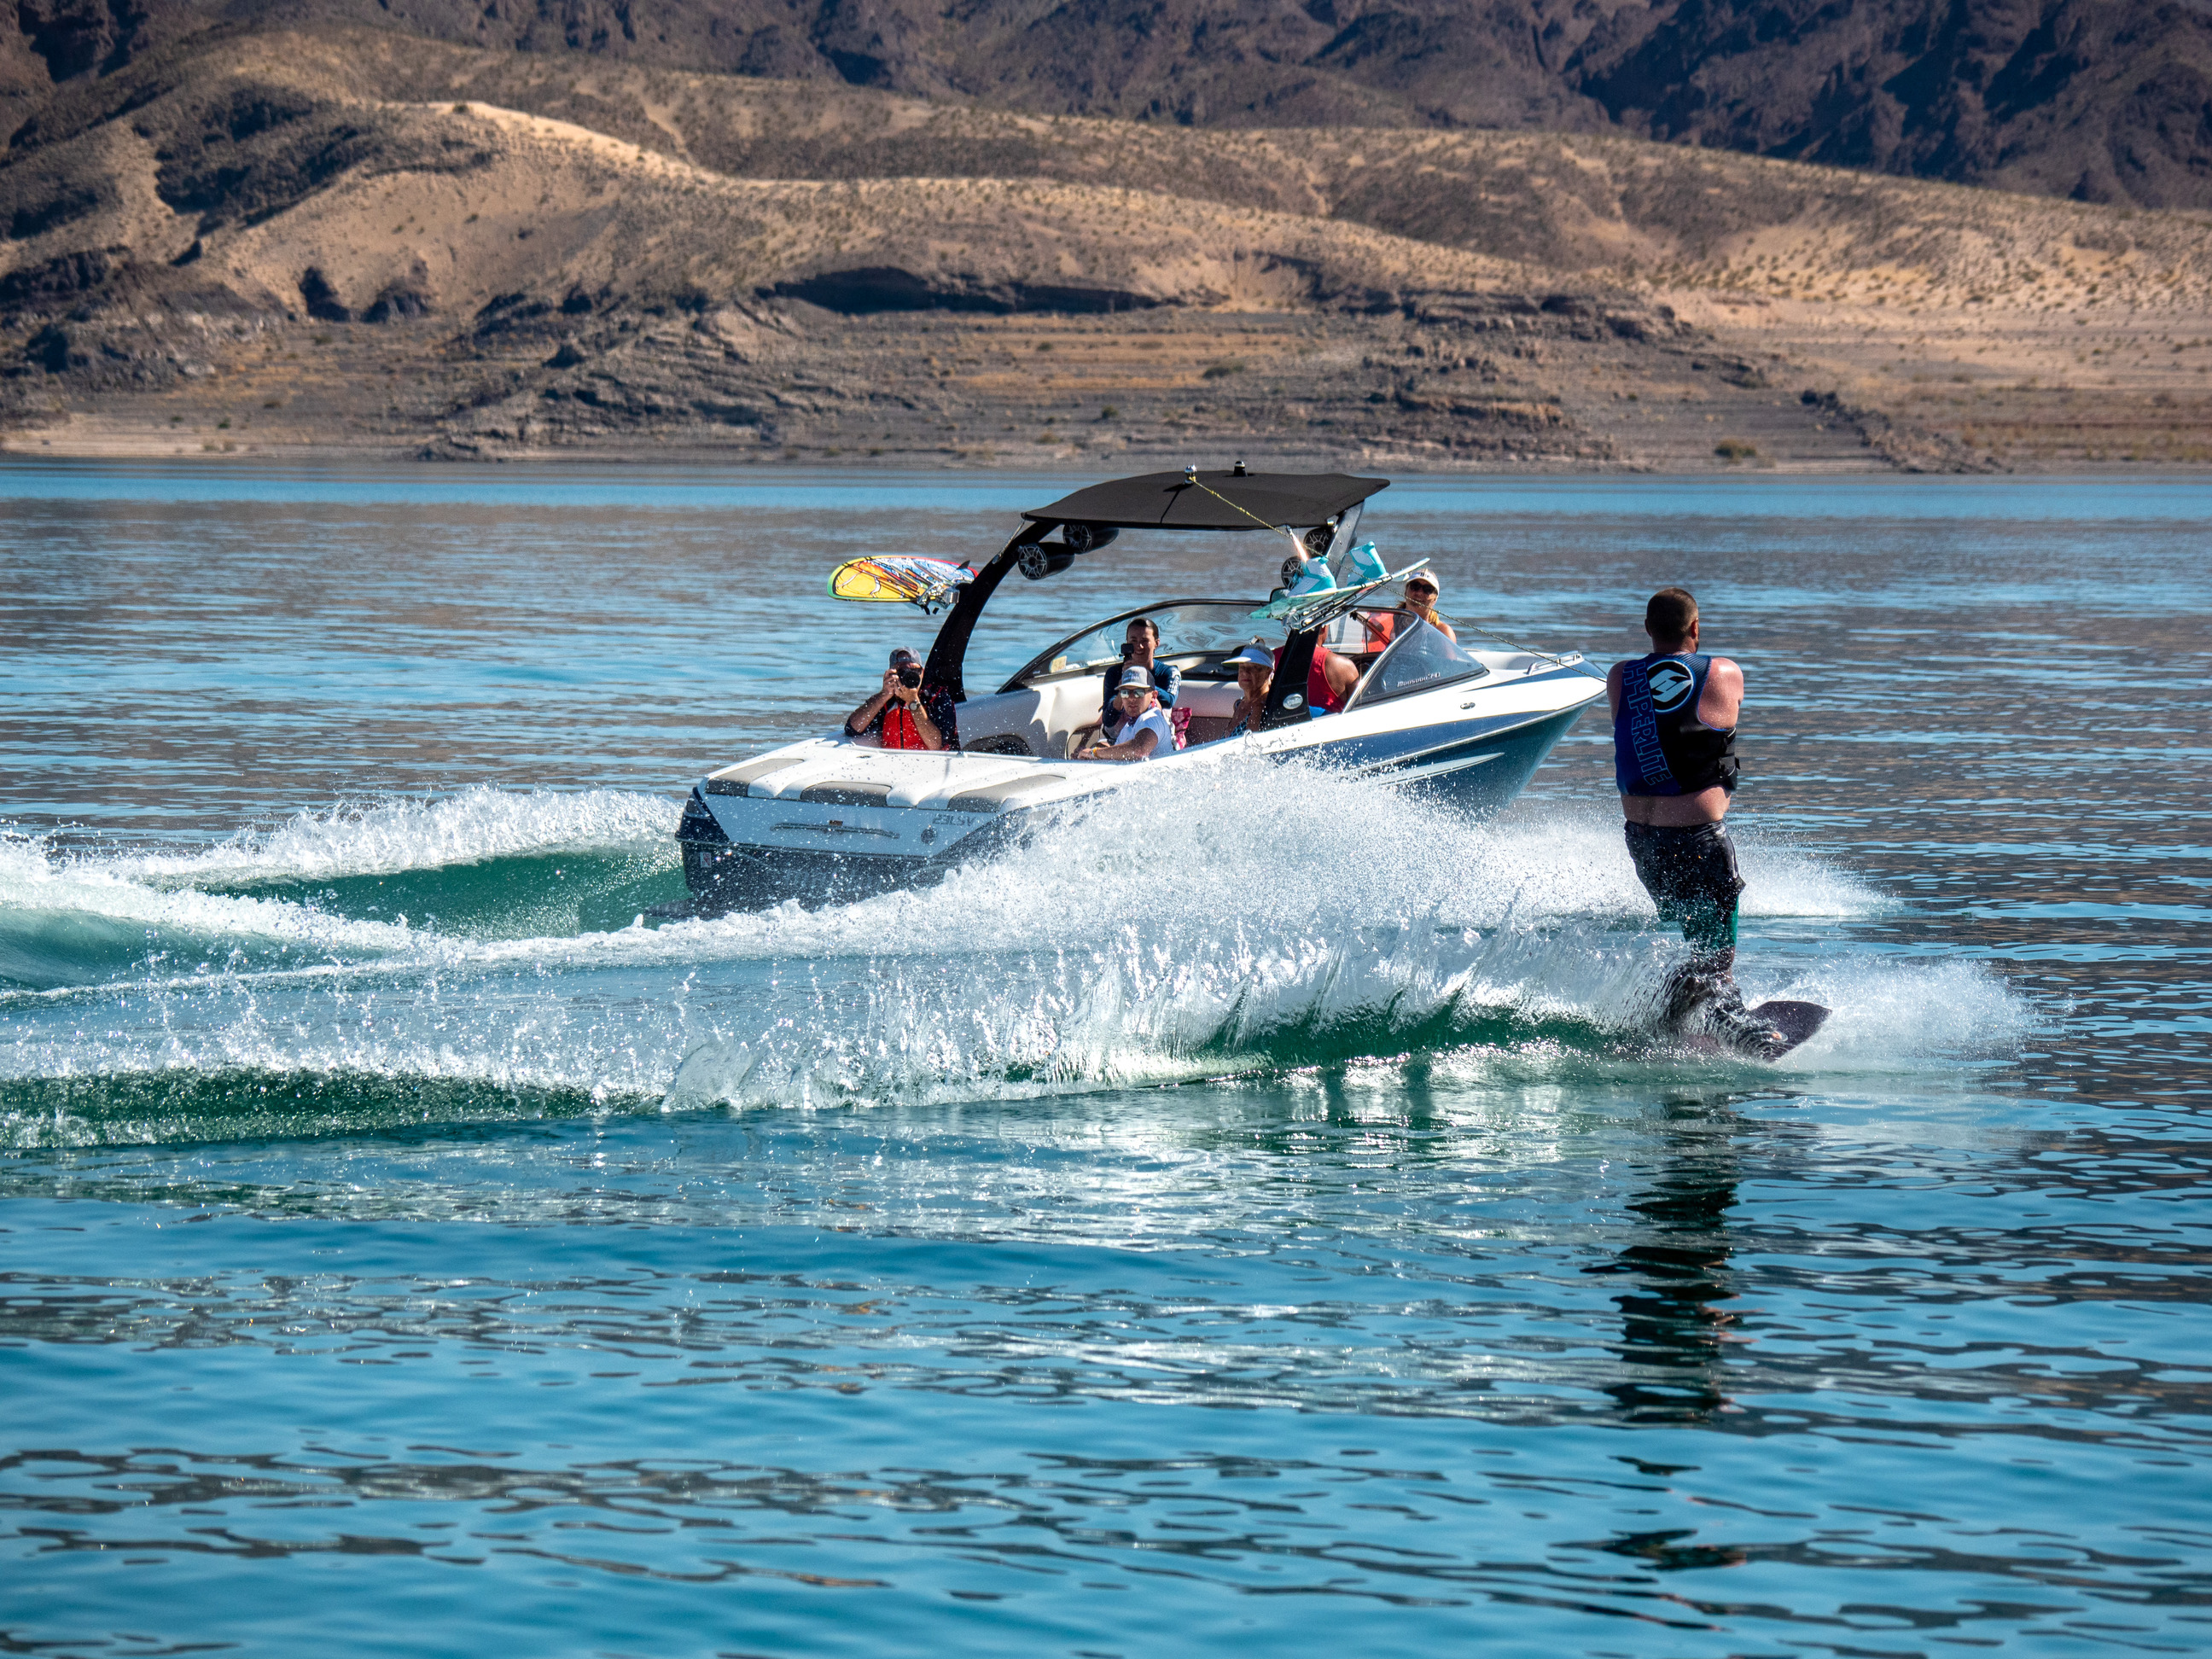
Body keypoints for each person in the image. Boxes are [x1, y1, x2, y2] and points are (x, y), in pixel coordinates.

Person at [1609, 587, 1785, 1056]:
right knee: (1716, 959)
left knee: (1698, 946)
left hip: (1643, 843)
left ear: (1647, 629)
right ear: (1696, 629)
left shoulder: (1620, 677)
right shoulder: (1722, 672)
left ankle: (1668, 1024)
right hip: (1697, 841)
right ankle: (1739, 1033)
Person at [845, 645, 958, 751]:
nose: (909, 677)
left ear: (923, 673)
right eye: (902, 671)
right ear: (891, 674)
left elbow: (936, 745)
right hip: (895, 762)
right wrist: (883, 695)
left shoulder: (938, 697)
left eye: (914, 671)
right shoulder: (887, 700)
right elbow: (852, 729)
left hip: (933, 763)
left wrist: (913, 701)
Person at [1098, 617, 1181, 726]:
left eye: (1144, 641)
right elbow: (1108, 721)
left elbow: (1169, 701)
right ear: (1127, 643)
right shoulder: (1114, 673)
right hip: (1118, 737)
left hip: (1156, 734)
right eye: (1133, 641)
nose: (1139, 646)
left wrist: (1142, 678)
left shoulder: (1169, 672)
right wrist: (1124, 688)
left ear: (1156, 643)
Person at [1084, 665, 1173, 761]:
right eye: (1125, 693)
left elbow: (1139, 750)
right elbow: (1120, 751)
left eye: (1138, 692)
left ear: (1153, 696)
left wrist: (1094, 753)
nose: (1131, 698)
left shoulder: (1151, 719)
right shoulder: (1130, 724)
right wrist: (1097, 749)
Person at [1226, 643, 1273, 736]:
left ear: (1268, 672)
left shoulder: (1262, 707)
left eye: (1254, 667)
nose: (1245, 672)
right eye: (1242, 666)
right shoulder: (1240, 704)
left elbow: (1250, 748)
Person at [1400, 571, 1457, 642]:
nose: (1420, 593)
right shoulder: (1387, 622)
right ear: (1406, 592)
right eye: (1415, 586)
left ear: (1435, 599)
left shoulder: (1442, 632)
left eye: (1427, 589)